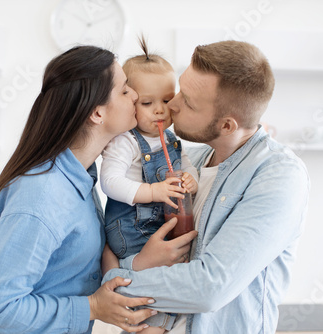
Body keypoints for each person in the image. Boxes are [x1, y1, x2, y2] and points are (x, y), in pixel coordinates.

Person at [103, 40, 310, 333]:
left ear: (227, 125)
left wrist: (112, 279)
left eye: (185, 100)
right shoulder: (187, 160)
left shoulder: (278, 177)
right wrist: (135, 264)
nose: (170, 106)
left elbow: (208, 288)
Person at [0, 45, 163, 334]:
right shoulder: (42, 195)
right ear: (97, 113)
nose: (135, 95)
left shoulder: (81, 178)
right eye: (124, 90)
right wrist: (93, 307)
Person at [100, 38, 199, 334]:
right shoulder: (125, 141)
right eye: (147, 103)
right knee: (150, 298)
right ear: (131, 102)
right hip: (131, 233)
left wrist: (189, 177)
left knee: (167, 289)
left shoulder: (171, 140)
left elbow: (183, 164)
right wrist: (154, 192)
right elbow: (110, 182)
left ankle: (157, 321)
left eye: (167, 101)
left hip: (156, 230)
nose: (160, 111)